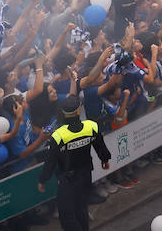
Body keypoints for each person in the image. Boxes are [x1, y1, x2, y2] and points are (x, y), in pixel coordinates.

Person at [37, 97, 111, 231]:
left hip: (68, 181)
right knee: (81, 208)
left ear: (64, 113)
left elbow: (51, 161)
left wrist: (43, 179)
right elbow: (100, 146)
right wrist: (105, 160)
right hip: (86, 176)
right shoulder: (91, 126)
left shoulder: (58, 136)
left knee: (66, 216)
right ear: (79, 111)